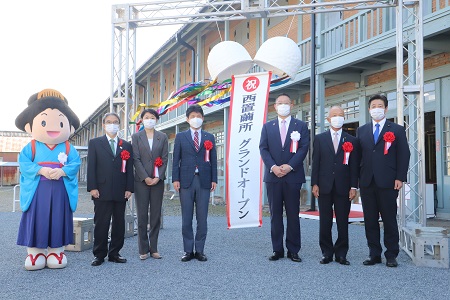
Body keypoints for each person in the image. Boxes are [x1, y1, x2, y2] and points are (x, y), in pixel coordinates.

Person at [15, 89, 81, 270]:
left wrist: (63, 172)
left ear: (70, 127)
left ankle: (56, 250)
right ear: (30, 126)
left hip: (60, 189)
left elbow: (75, 164)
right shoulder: (32, 146)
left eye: (61, 121)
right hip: (38, 189)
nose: (53, 127)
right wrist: (40, 169)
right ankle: (35, 252)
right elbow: (24, 163)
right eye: (43, 121)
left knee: (58, 217)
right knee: (37, 218)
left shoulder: (68, 147)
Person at [357, 94, 410, 267]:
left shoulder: (397, 129)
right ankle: (374, 253)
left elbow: (404, 155)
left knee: (389, 219)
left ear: (386, 109)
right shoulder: (362, 130)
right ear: (369, 109)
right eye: (373, 106)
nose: (377, 108)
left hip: (388, 182)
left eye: (380, 105)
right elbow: (358, 157)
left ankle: (391, 254)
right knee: (370, 220)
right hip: (367, 182)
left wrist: (400, 177)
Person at [259, 93, 309, 262]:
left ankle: (293, 250)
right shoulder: (267, 126)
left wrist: (290, 166)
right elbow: (263, 149)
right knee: (275, 215)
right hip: (273, 176)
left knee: (293, 214)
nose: (283, 106)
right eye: (280, 103)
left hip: (292, 176)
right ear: (275, 106)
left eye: (286, 103)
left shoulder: (300, 125)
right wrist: (273, 167)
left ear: (292, 105)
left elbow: (303, 148)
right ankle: (277, 249)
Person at [311, 106, 359, 265]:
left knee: (342, 222)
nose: (337, 117)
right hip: (324, 186)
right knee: (324, 221)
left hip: (344, 187)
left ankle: (341, 253)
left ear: (344, 118)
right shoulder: (320, 138)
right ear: (328, 119)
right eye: (334, 115)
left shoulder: (351, 140)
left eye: (341, 115)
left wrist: (354, 186)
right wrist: (314, 183)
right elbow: (315, 162)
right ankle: (326, 252)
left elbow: (354, 166)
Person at [87, 112, 134, 266]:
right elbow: (91, 167)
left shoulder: (126, 145)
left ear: (119, 125)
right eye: (109, 122)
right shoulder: (95, 143)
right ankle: (99, 254)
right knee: (101, 223)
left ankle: (115, 253)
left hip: (121, 191)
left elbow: (129, 169)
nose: (112, 124)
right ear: (103, 124)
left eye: (115, 122)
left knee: (119, 223)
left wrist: (129, 188)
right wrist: (92, 187)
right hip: (101, 190)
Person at [172, 104, 217, 262]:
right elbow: (175, 159)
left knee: (202, 217)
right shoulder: (180, 137)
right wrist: (175, 179)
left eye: (198, 116)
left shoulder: (209, 137)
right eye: (192, 117)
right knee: (186, 217)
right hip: (185, 181)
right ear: (187, 119)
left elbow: (213, 160)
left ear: (203, 118)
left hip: (204, 180)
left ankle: (200, 250)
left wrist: (214, 179)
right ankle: (187, 250)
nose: (195, 119)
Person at [132, 108, 168, 260]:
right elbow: (136, 158)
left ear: (157, 120)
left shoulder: (163, 137)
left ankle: (154, 248)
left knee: (155, 215)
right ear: (142, 120)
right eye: (146, 117)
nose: (149, 119)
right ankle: (143, 249)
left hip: (157, 181)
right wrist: (145, 177)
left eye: (152, 117)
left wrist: (157, 177)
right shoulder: (136, 137)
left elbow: (165, 158)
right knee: (142, 215)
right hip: (141, 181)